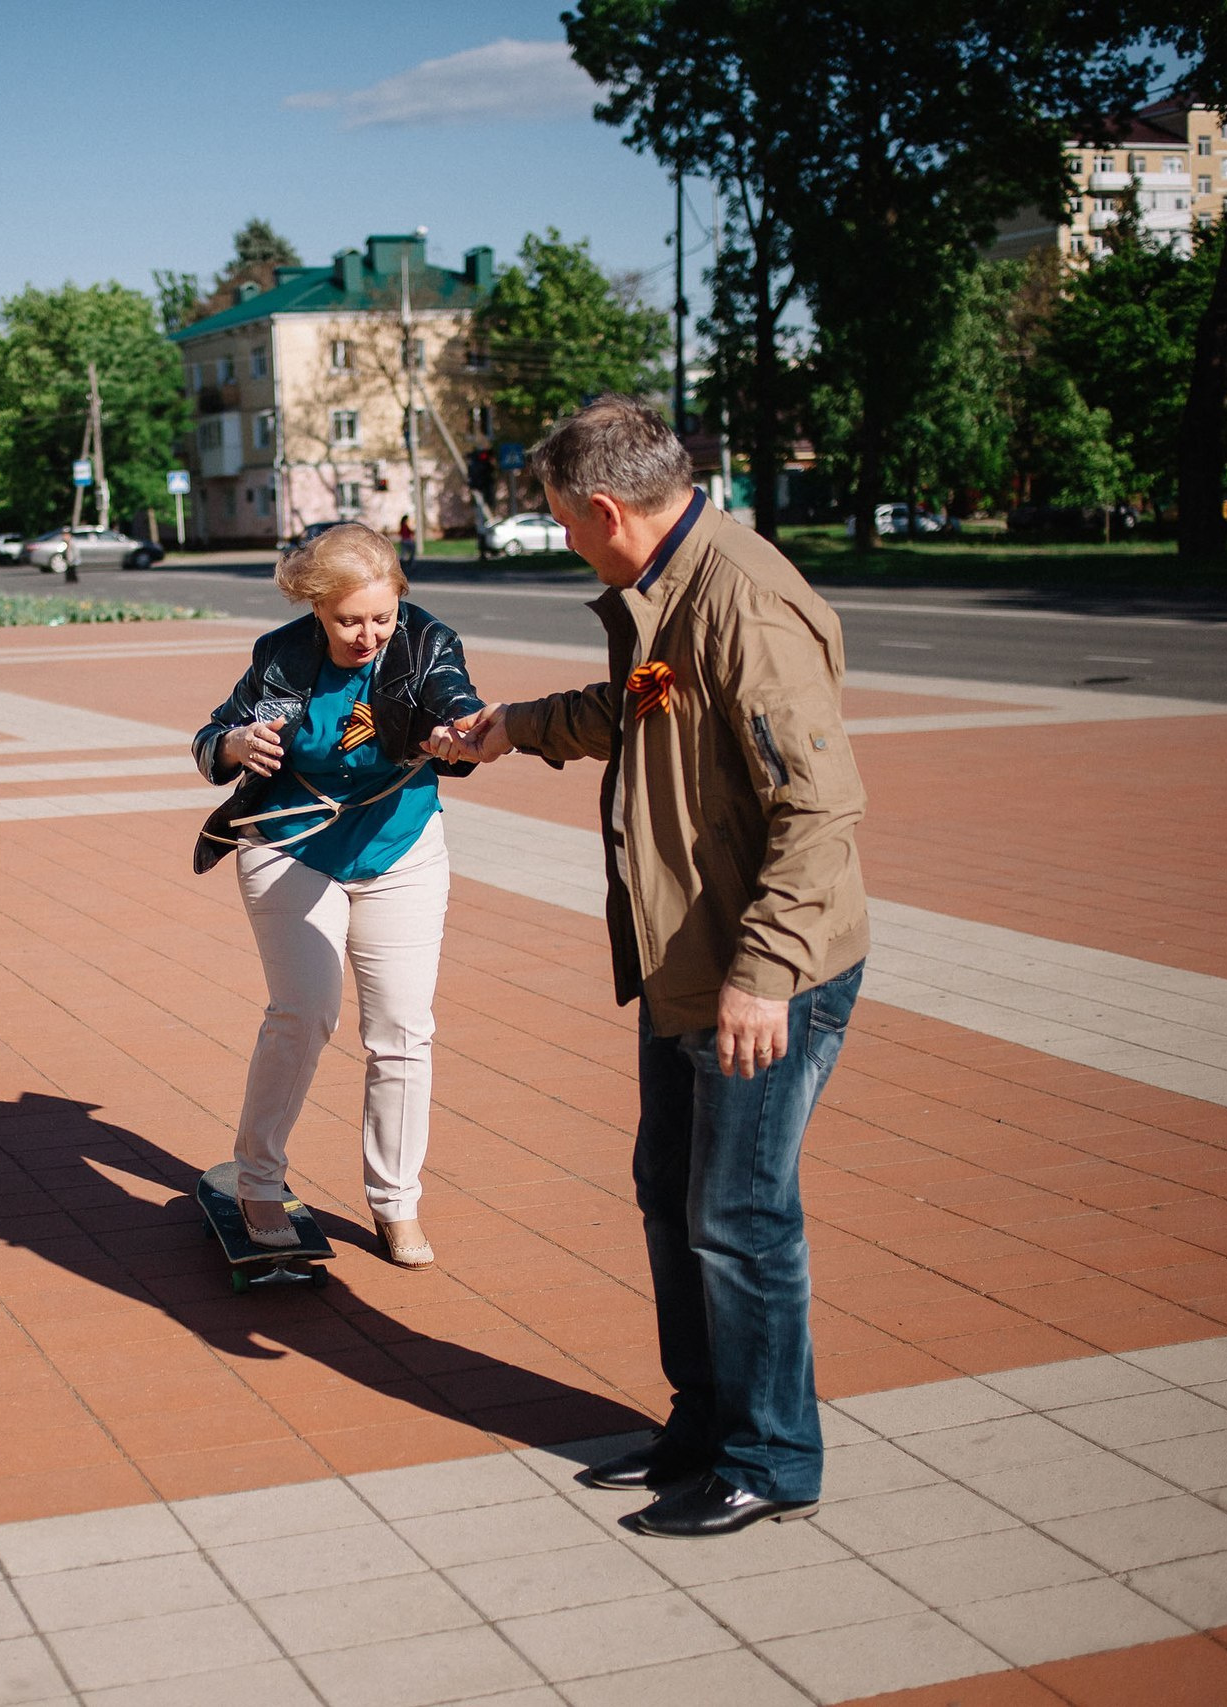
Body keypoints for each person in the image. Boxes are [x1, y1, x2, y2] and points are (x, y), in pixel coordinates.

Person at [429, 398, 867, 1537]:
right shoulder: (667, 589)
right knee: (672, 1199)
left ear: (609, 510)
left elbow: (818, 814)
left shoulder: (744, 600)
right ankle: (706, 1424)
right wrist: (512, 728)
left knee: (739, 1214)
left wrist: (764, 974)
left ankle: (771, 1457)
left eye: (567, 524)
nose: (566, 540)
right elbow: (643, 716)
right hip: (688, 956)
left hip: (760, 968)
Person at [192, 523, 482, 1268]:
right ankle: (257, 1179)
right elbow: (212, 736)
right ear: (317, 608)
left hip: (401, 849)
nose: (368, 634)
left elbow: (451, 695)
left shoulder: (425, 642)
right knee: (305, 1012)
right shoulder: (281, 655)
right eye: (349, 619)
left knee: (402, 1029)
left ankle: (396, 1201)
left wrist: (458, 728)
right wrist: (233, 746)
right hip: (291, 846)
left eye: (381, 616)